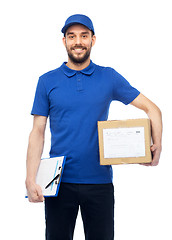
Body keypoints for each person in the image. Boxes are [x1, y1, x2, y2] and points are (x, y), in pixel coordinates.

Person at [25, 14, 162, 240]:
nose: (78, 41)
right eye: (72, 36)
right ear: (64, 41)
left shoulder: (109, 77)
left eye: (83, 36)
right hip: (58, 184)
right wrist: (30, 179)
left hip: (99, 183)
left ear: (93, 40)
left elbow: (153, 109)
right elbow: (37, 132)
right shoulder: (47, 81)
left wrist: (156, 149)